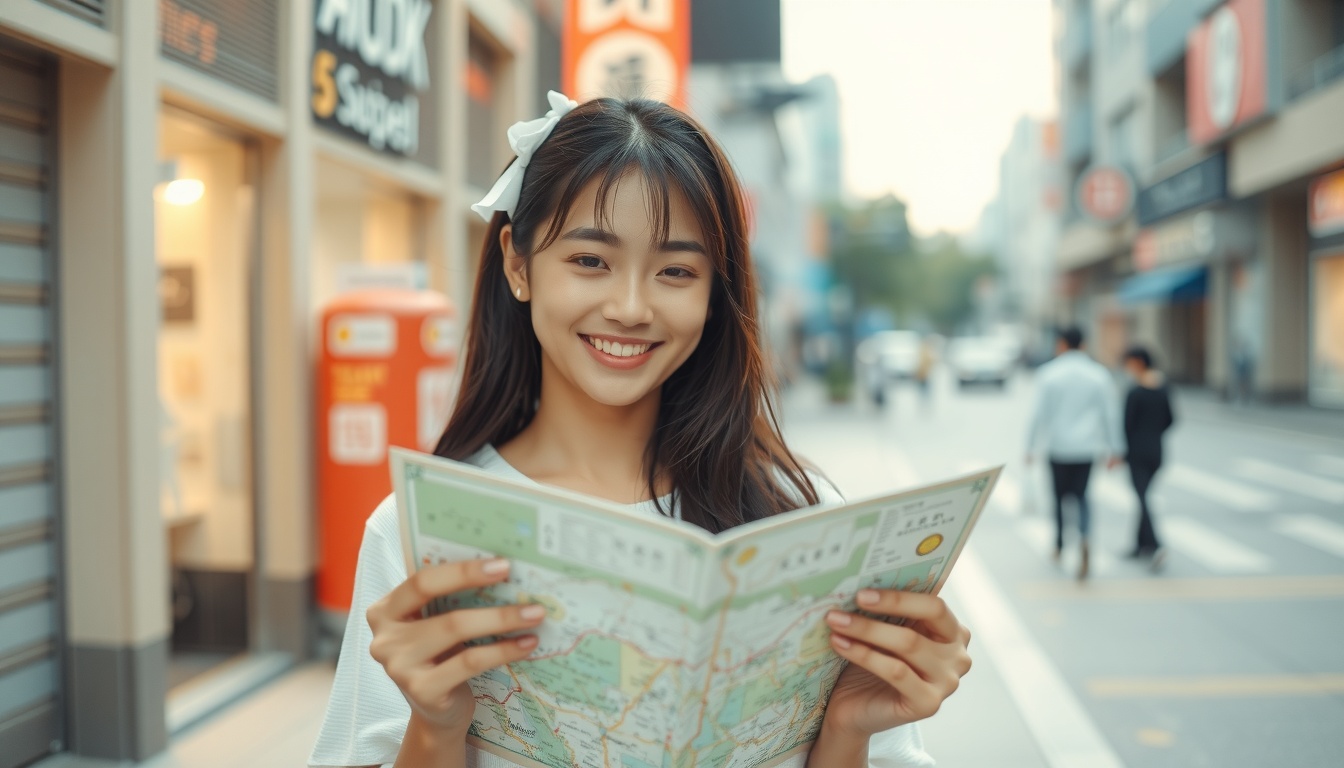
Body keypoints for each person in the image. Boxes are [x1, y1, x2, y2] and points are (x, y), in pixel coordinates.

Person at [309, 92, 971, 768]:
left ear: (717, 293)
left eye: (676, 272)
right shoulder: (418, 536)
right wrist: (436, 728)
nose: (629, 308)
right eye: (590, 261)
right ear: (517, 262)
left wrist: (848, 732)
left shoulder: (804, 524)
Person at [1025, 327, 1124, 580]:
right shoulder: (1098, 374)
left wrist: (1030, 447)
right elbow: (1110, 414)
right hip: (1087, 448)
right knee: (1082, 496)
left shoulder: (1049, 374)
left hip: (1058, 447)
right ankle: (1085, 537)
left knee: (1058, 497)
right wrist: (1116, 449)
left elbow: (1038, 415)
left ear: (1061, 344)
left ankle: (1059, 545)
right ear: (1083, 345)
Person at [1120, 346, 1175, 570]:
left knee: (1142, 498)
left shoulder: (1135, 392)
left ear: (1139, 363)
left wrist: (1120, 451)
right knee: (1143, 496)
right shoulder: (1163, 389)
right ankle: (1140, 544)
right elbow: (1171, 419)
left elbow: (1126, 425)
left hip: (1136, 453)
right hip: (1156, 451)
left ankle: (1155, 544)